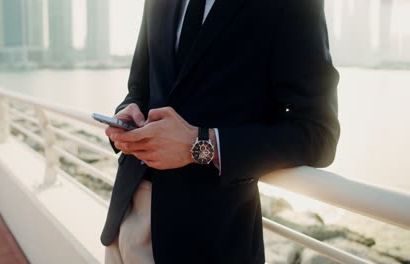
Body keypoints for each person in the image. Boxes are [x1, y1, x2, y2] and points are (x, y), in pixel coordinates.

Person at [101, 0, 340, 263]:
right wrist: (128, 112)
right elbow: (139, 89)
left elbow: (319, 133)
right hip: (124, 220)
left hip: (210, 241)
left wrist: (201, 144)